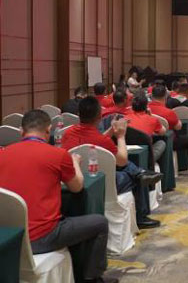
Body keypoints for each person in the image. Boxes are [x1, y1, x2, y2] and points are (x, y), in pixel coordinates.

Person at [0, 110, 115, 283]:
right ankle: (92, 277)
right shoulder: (58, 154)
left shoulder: (2, 154)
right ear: (49, 130)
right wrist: (75, 163)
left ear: (21, 131)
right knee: (99, 223)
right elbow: (77, 187)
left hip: (11, 238)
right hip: (42, 237)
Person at [62, 96, 162, 229]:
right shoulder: (102, 141)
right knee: (134, 178)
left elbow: (95, 140)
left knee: (132, 172)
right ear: (99, 116)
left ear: (79, 114)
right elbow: (122, 161)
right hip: (102, 182)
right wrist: (120, 136)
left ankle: (139, 173)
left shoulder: (67, 133)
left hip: (75, 178)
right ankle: (141, 217)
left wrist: (111, 129)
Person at [149, 85, 188, 175]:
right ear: (165, 96)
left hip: (149, 142)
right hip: (169, 142)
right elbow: (178, 127)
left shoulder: (145, 109)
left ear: (151, 96)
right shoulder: (168, 112)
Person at [125, 94, 167, 162]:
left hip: (127, 154)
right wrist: (151, 115)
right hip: (148, 157)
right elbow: (163, 132)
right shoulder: (153, 119)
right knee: (162, 142)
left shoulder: (125, 118)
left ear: (132, 107)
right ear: (146, 107)